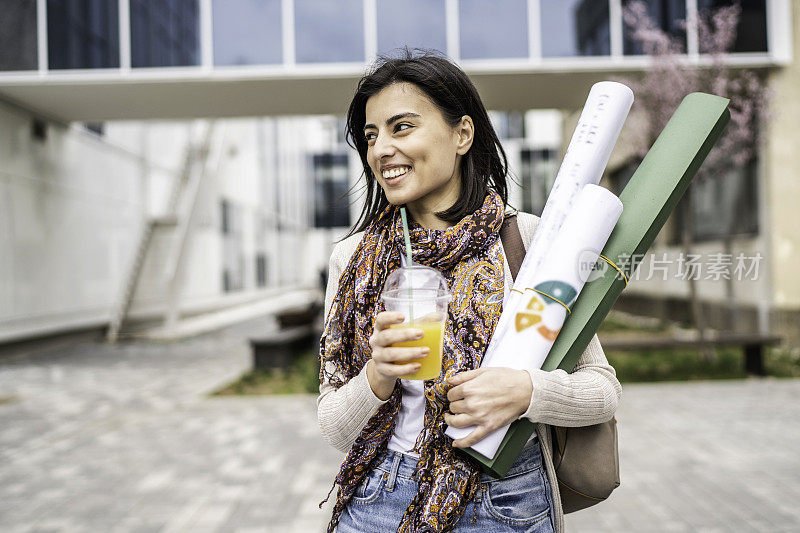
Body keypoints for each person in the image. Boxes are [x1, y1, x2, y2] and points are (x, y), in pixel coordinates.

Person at [317, 49, 621, 533]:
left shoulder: (529, 240)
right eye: (371, 136)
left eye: (401, 127)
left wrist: (527, 392)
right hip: (377, 499)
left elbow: (603, 391)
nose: (380, 150)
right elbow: (333, 424)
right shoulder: (353, 260)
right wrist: (376, 377)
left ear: (462, 133)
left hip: (508, 498)